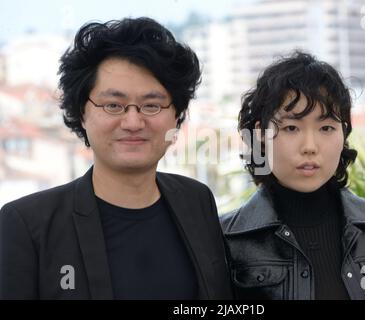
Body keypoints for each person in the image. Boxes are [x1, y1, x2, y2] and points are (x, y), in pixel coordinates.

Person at [0, 17, 232, 300]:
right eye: (113, 105)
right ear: (82, 113)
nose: (133, 122)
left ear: (177, 115)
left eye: (152, 105)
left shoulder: (197, 201)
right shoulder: (27, 225)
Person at [220, 51, 365, 300]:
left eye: (326, 128)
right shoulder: (227, 239)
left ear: (344, 133)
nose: (310, 146)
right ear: (261, 134)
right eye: (291, 128)